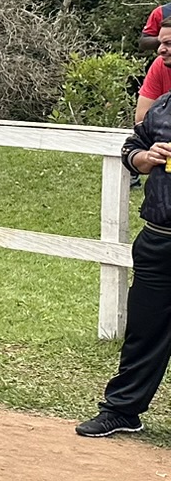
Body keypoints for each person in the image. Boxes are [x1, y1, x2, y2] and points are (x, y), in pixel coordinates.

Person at [78, 87, 171, 438]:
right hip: (158, 239)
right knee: (143, 331)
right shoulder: (164, 106)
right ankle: (122, 410)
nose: (163, 59)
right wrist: (145, 157)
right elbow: (131, 148)